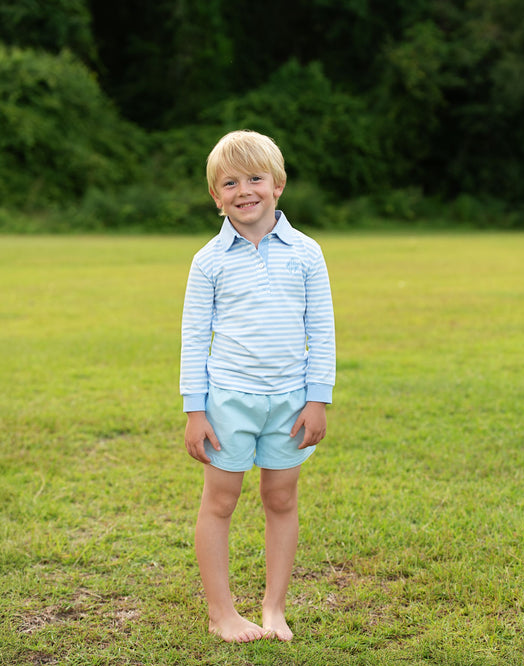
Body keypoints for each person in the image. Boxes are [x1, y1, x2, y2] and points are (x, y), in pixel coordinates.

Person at [180, 129, 335, 643]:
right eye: (229, 183)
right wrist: (195, 410)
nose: (244, 190)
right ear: (215, 197)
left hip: (291, 403)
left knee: (281, 498)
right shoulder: (209, 261)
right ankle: (222, 613)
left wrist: (318, 399)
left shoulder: (307, 253)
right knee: (220, 502)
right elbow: (193, 339)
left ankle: (273, 608)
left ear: (278, 184)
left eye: (255, 178)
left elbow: (323, 332)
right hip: (228, 403)